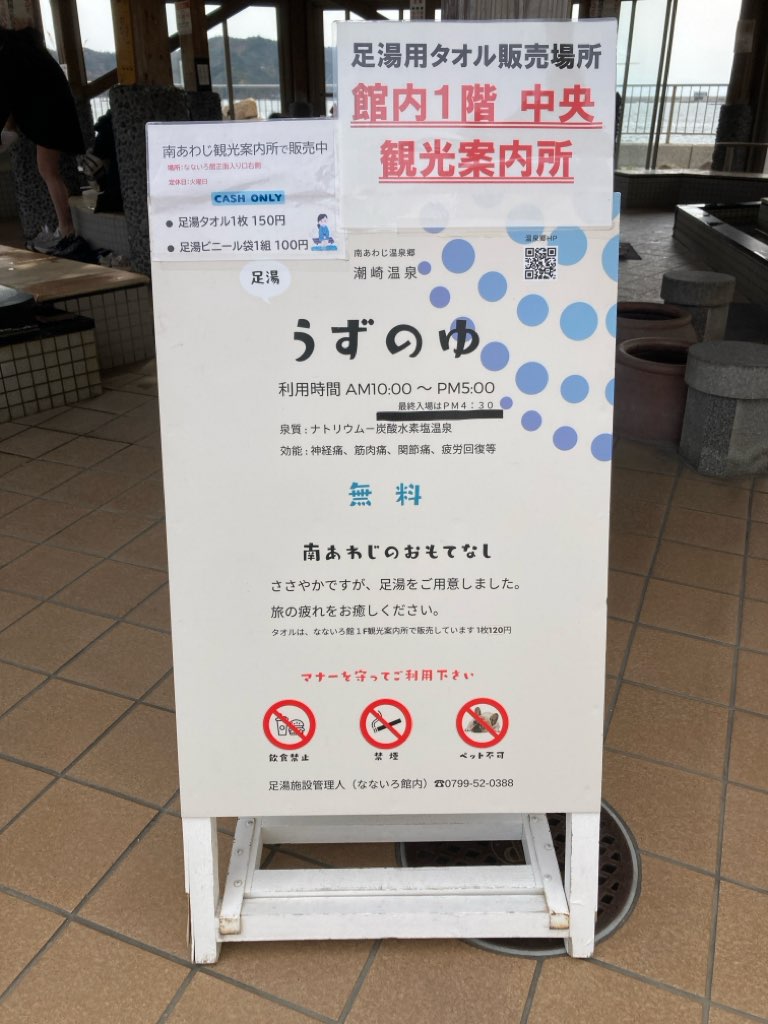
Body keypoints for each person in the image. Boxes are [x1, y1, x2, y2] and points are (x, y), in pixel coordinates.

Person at [0, 26, 85, 253]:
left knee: (48, 170)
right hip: (55, 112)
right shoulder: (22, 48)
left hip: (49, 117)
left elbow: (5, 97)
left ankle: (67, 228)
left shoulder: (9, 56)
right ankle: (65, 226)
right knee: (49, 170)